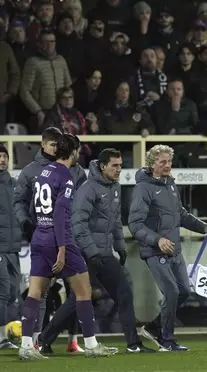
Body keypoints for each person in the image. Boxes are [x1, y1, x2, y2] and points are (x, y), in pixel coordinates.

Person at [38, 149, 155, 353]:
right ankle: (44, 339)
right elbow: (78, 224)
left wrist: (119, 246)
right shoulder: (88, 189)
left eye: (120, 165)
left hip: (105, 252)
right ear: (103, 166)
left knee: (124, 292)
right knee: (79, 299)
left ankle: (133, 344)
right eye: (114, 166)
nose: (119, 169)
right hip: (85, 254)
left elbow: (116, 221)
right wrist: (92, 252)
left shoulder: (115, 187)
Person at [18, 133, 115, 360]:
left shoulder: (44, 171)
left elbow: (34, 207)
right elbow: (61, 214)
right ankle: (91, 345)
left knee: (34, 292)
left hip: (39, 237)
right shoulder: (66, 176)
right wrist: (62, 248)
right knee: (84, 290)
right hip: (59, 239)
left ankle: (25, 346)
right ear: (73, 151)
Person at [128, 144, 207, 352]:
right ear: (152, 164)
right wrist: (157, 240)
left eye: (169, 162)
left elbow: (182, 214)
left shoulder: (170, 184)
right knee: (172, 291)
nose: (167, 166)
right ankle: (166, 340)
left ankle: (153, 328)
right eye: (163, 162)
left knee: (185, 291)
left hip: (174, 250)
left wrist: (203, 227)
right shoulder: (143, 188)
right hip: (156, 251)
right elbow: (135, 224)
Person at [13, 127, 87, 352]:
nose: (57, 148)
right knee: (42, 293)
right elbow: (19, 202)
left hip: (69, 235)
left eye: (59, 145)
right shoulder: (30, 171)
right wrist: (26, 222)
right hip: (45, 235)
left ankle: (71, 340)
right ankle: (37, 341)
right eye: (53, 144)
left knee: (75, 291)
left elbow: (82, 201)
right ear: (43, 144)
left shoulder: (75, 170)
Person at [0, 145, 21, 349]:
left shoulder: (14, 184)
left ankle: (6, 335)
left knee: (14, 291)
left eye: (4, 156)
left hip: (14, 247)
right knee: (3, 290)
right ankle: (1, 337)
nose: (2, 160)